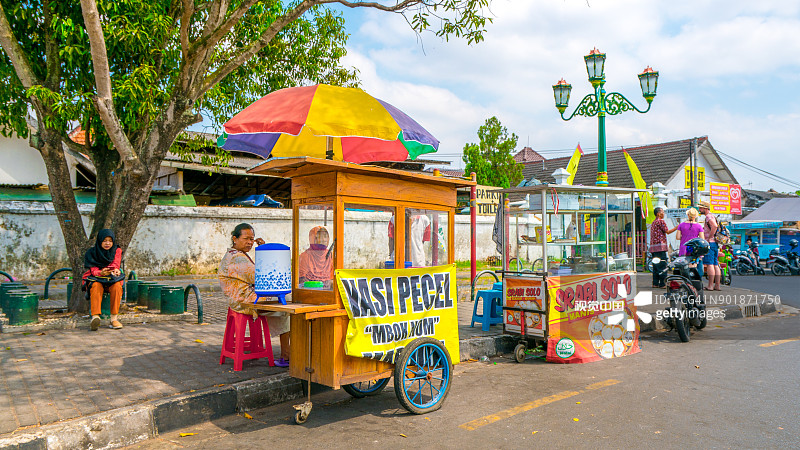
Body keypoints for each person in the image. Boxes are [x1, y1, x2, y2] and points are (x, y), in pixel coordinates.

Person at [218, 223, 290, 367]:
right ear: (235, 239)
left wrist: (263, 249)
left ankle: (287, 353)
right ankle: (286, 354)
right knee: (287, 303)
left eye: (252, 239)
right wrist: (265, 252)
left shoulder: (238, 255)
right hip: (244, 301)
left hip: (244, 297)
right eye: (246, 239)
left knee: (285, 304)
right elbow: (261, 275)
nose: (250, 242)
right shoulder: (236, 258)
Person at [83, 229, 124, 331]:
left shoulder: (116, 250)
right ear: (100, 241)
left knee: (117, 286)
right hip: (97, 279)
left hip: (111, 280)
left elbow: (116, 264)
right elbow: (93, 270)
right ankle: (95, 317)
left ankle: (114, 319)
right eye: (104, 240)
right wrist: (101, 273)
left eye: (110, 241)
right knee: (96, 286)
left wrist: (115, 271)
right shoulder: (91, 253)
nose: (107, 243)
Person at [697, 201, 720, 290]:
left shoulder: (708, 216)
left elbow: (714, 226)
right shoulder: (713, 215)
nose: (699, 210)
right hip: (715, 243)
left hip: (710, 242)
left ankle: (710, 285)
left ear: (705, 208)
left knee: (709, 264)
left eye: (701, 208)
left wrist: (710, 237)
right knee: (715, 264)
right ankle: (717, 285)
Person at [649, 207, 669, 288]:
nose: (663, 214)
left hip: (653, 247)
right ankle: (662, 283)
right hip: (660, 247)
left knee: (656, 266)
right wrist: (677, 227)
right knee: (662, 265)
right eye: (662, 212)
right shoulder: (661, 221)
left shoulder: (653, 222)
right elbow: (667, 231)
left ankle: (655, 283)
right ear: (658, 214)